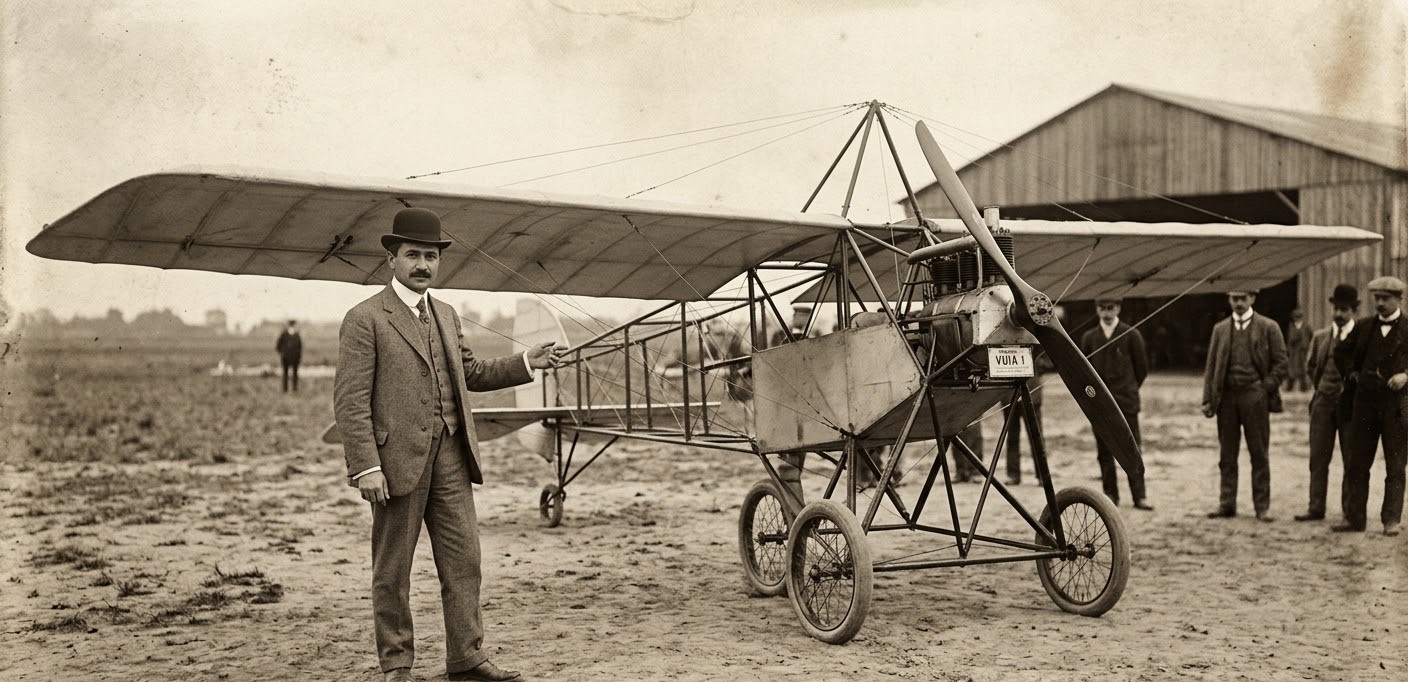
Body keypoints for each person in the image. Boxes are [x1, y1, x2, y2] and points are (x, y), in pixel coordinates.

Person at [334, 207, 561, 682]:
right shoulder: (365, 319)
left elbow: (471, 373)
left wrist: (526, 361)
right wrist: (365, 467)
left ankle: (467, 659)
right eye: (413, 254)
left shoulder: (446, 314)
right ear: (391, 259)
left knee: (465, 562)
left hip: (454, 457)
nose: (423, 264)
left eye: (431, 256)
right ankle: (397, 665)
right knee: (392, 570)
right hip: (396, 462)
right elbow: (350, 402)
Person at [1201, 289, 1287, 522]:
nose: (1238, 303)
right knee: (1227, 454)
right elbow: (1211, 366)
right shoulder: (1220, 329)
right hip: (1227, 398)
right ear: (1229, 300)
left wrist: (1264, 387)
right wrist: (1208, 399)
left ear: (1253, 299)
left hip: (1254, 396)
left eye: (1243, 298)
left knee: (1259, 453)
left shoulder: (1269, 327)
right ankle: (1226, 503)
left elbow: (1281, 363)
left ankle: (1262, 507)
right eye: (1234, 298)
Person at [1331, 276, 1408, 536]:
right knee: (1357, 463)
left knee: (1395, 466)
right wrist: (1352, 374)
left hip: (1396, 407)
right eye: (1377, 298)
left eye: (1386, 298)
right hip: (1364, 406)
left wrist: (1406, 375)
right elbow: (1340, 352)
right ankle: (1355, 518)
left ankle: (1391, 520)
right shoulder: (1363, 327)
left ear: (1399, 299)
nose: (1380, 303)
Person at [1078, 298, 1152, 510]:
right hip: (1099, 406)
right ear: (1097, 310)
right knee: (1104, 451)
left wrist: (1126, 390)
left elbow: (1142, 370)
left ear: (1118, 308)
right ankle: (1111, 495)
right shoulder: (1089, 337)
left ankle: (1140, 496)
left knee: (1132, 448)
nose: (1107, 312)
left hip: (1125, 402)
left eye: (1111, 308)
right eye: (1102, 308)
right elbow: (1084, 370)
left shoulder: (1131, 335)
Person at [1295, 284, 1359, 522]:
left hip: (1349, 407)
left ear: (1353, 310)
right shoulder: (1321, 337)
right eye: (1336, 309)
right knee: (1318, 457)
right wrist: (1322, 388)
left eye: (1344, 309)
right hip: (1322, 403)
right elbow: (1311, 366)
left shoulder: (1360, 337)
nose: (1339, 314)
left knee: (1350, 459)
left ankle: (1349, 511)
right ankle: (1315, 507)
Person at [1284, 308, 1313, 392]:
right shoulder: (1292, 326)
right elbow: (1290, 338)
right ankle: (1289, 387)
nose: (1297, 319)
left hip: (1303, 352)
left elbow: (1311, 335)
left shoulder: (1306, 326)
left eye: (1299, 317)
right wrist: (1289, 349)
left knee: (1303, 370)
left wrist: (1307, 344)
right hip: (1294, 352)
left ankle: (1304, 388)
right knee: (1292, 370)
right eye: (1295, 317)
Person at [276, 319, 303, 392]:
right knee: (286, 373)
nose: (292, 327)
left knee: (294, 373)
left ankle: (294, 389)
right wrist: (283, 353)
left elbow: (300, 347)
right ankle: (286, 389)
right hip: (286, 357)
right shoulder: (284, 334)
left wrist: (298, 355)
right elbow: (278, 346)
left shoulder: (296, 335)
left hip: (294, 358)